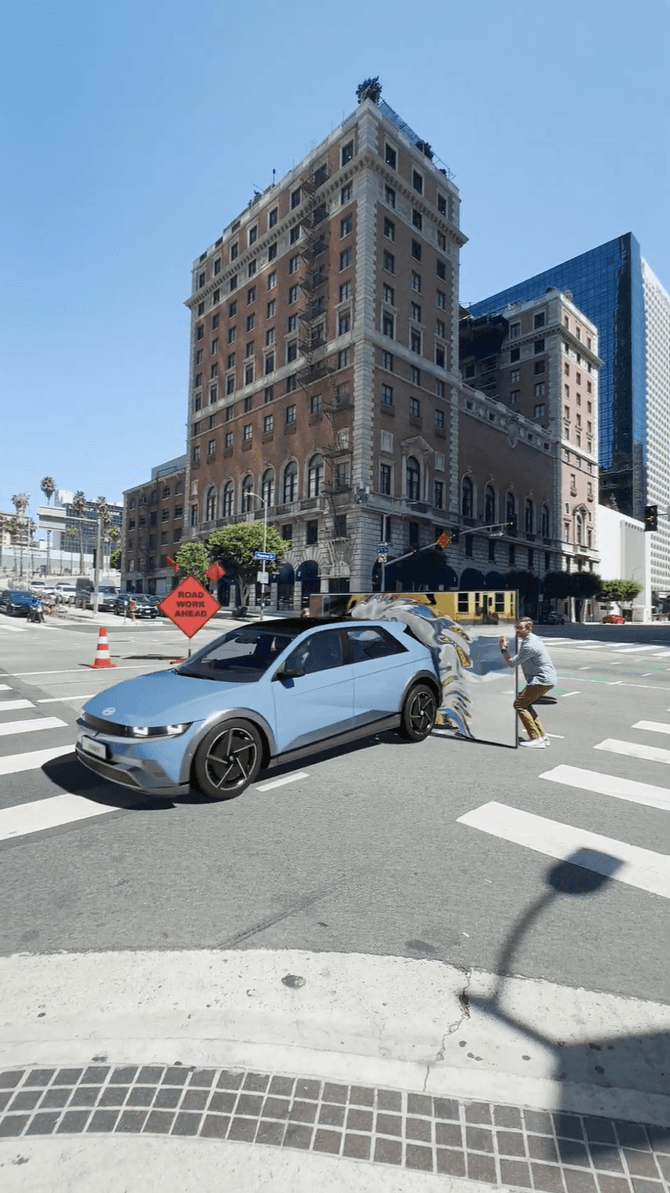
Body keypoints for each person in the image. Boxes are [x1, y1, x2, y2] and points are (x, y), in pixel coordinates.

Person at [499, 617, 557, 748]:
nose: (517, 631)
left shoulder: (530, 645)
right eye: (516, 627)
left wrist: (503, 650)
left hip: (541, 679)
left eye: (520, 628)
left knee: (519, 705)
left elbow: (512, 663)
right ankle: (542, 737)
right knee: (526, 704)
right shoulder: (532, 639)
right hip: (545, 679)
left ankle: (535, 738)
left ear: (528, 628)